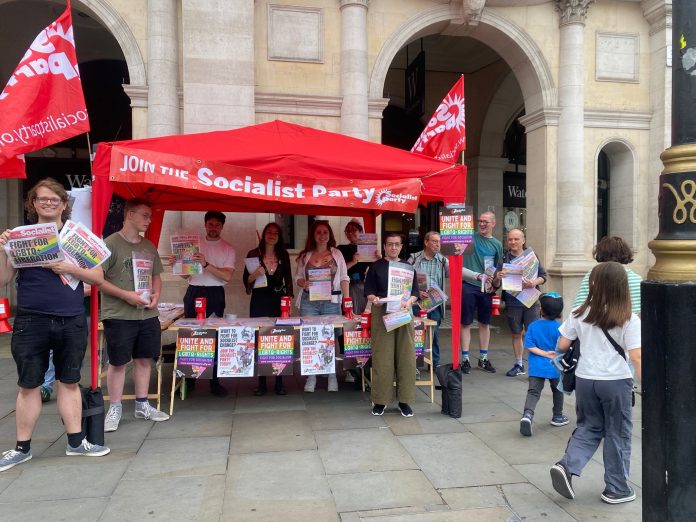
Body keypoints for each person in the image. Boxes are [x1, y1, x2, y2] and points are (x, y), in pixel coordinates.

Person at [0, 178, 110, 472]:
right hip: (30, 320)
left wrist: (69, 268)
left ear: (64, 204)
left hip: (71, 319)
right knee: (28, 385)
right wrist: (3, 250)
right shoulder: (19, 236)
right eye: (42, 199)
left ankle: (76, 442)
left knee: (70, 381)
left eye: (54, 200)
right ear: (32, 203)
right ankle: (21, 448)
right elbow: (3, 280)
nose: (48, 204)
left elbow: (98, 277)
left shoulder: (76, 236)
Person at [550, 262, 641, 505]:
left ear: (594, 284)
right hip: (615, 381)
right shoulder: (628, 318)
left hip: (585, 379)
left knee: (589, 427)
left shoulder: (580, 312)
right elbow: (636, 357)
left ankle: (566, 466)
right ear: (622, 286)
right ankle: (616, 488)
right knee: (617, 432)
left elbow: (562, 345)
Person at [101, 198, 170, 432]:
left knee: (144, 359)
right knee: (118, 362)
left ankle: (142, 404)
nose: (149, 220)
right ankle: (115, 407)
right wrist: (125, 295)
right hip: (119, 314)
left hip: (147, 314)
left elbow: (156, 275)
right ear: (130, 214)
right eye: (145, 215)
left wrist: (156, 295)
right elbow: (97, 280)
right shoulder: (110, 244)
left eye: (150, 216)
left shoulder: (148, 246)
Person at [179, 210, 236, 397]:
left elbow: (226, 276)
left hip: (215, 293)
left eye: (217, 225)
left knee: (214, 336)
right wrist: (177, 265)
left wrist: (206, 264)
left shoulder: (228, 248)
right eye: (210, 224)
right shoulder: (193, 246)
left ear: (222, 227)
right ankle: (189, 379)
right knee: (191, 335)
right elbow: (186, 275)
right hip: (194, 290)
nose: (214, 228)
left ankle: (214, 380)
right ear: (205, 224)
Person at [364, 232, 420, 417]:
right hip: (382, 311)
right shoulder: (376, 267)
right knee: (382, 357)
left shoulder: (408, 267)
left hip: (403, 311)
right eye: (390, 244)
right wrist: (376, 299)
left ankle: (405, 401)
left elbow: (415, 292)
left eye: (397, 244)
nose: (393, 248)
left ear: (402, 246)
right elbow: (369, 292)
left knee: (406, 356)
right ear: (385, 246)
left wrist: (409, 302)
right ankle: (381, 400)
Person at [295, 221, 349, 392]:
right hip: (309, 302)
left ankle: (331, 375)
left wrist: (347, 301)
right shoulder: (305, 255)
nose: (322, 235)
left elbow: (344, 278)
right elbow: (297, 277)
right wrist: (303, 282)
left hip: (331, 303)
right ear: (313, 234)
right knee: (310, 339)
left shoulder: (337, 254)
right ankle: (311, 376)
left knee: (330, 340)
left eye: (325, 232)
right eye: (318, 232)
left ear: (329, 234)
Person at [243, 222, 293, 395]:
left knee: (279, 339)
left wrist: (289, 300)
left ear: (279, 237)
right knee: (261, 340)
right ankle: (262, 382)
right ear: (264, 235)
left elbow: (288, 278)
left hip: (278, 300)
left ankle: (280, 381)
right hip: (259, 300)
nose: (272, 235)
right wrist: (255, 275)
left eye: (275, 233)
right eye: (269, 232)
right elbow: (246, 280)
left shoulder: (283, 254)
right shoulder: (253, 254)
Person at [492, 229, 547, 377]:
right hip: (513, 302)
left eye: (516, 239)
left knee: (533, 333)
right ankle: (519, 364)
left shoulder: (532, 256)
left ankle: (537, 365)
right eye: (510, 239)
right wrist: (498, 276)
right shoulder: (504, 259)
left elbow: (543, 276)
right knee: (516, 333)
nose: (513, 242)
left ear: (523, 240)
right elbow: (495, 285)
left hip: (531, 301)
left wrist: (534, 282)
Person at [519, 292, 568, 436]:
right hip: (555, 366)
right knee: (558, 390)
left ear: (541, 309)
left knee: (533, 392)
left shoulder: (533, 326)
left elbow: (529, 345)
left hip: (536, 367)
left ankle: (527, 415)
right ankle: (558, 416)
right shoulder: (560, 328)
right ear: (560, 312)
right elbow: (564, 347)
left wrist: (542, 353)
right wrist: (551, 354)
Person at [460, 211, 503, 373]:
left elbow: (499, 269)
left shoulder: (497, 245)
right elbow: (452, 242)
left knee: (485, 323)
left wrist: (496, 284)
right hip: (468, 285)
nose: (482, 224)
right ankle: (465, 358)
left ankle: (483, 358)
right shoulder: (469, 237)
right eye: (480, 221)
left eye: (486, 221)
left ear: (493, 223)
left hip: (487, 288)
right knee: (466, 322)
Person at [337, 219, 372, 384]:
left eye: (354, 230)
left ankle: (365, 363)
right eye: (347, 231)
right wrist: (353, 262)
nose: (351, 233)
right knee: (348, 325)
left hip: (366, 290)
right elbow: (338, 272)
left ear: (361, 231)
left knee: (365, 324)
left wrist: (377, 258)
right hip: (349, 289)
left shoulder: (369, 246)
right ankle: (350, 366)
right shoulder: (341, 249)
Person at [407, 231, 449, 368]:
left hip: (435, 304)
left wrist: (477, 276)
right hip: (417, 304)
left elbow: (457, 271)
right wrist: (417, 292)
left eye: (439, 242)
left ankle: (434, 364)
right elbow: (405, 279)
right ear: (426, 242)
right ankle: (414, 364)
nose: (438, 244)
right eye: (435, 241)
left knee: (434, 334)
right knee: (416, 334)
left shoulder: (442, 260)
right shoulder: (414, 258)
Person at [573, 236, 642, 314]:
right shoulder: (637, 279)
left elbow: (578, 307)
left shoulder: (592, 275)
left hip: (599, 323)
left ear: (600, 253)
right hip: (631, 323)